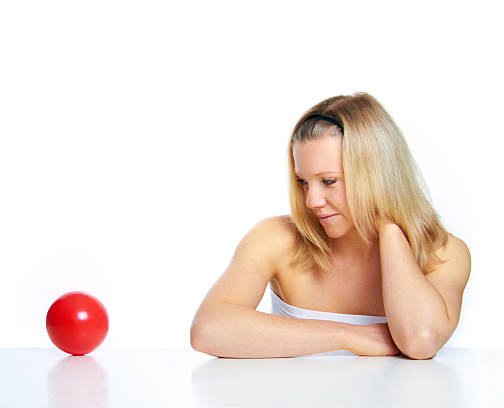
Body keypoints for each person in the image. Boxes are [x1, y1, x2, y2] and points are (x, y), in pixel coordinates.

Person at [190, 92, 471, 359]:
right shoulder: (274, 239)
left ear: (377, 176)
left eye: (328, 181)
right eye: (303, 181)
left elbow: (420, 340)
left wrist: (390, 226)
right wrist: (348, 336)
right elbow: (208, 330)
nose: (312, 200)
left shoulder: (444, 254)